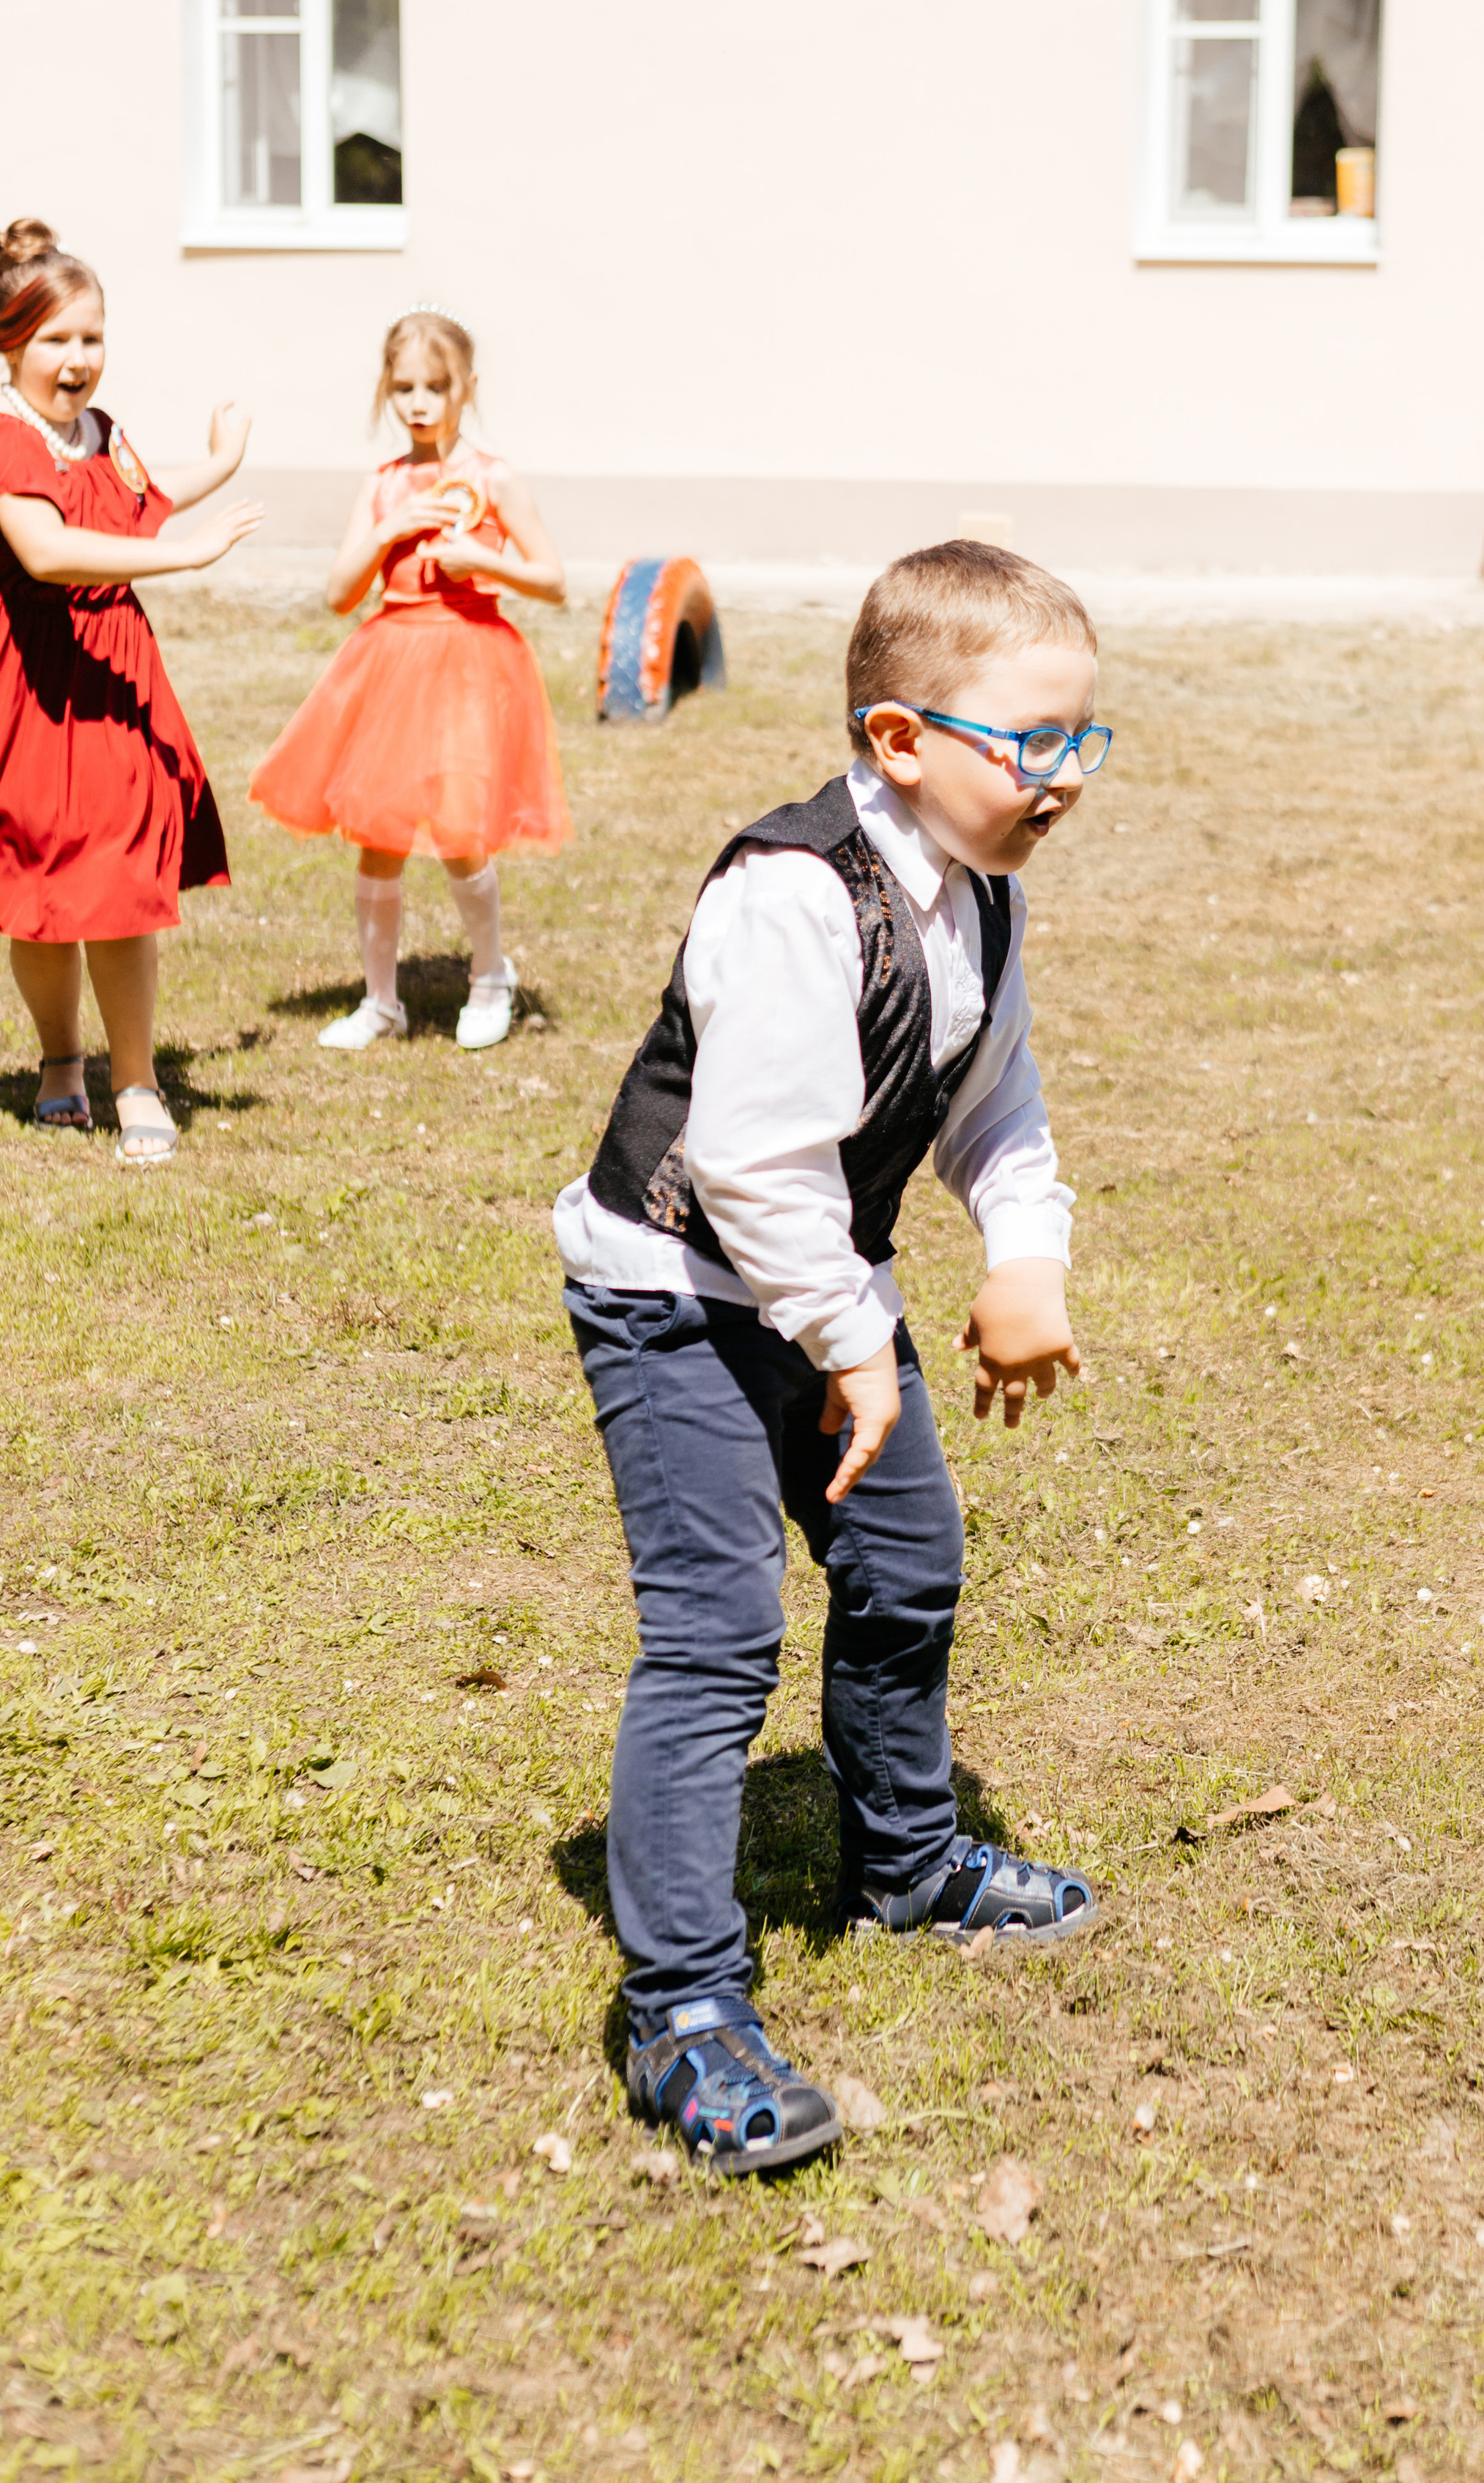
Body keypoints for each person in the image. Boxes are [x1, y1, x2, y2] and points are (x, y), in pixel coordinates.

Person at [555, 538, 1115, 2174]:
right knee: (717, 1637)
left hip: (812, 1296)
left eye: (1085, 739)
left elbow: (991, 1101)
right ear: (897, 741)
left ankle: (910, 1863)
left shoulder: (980, 890)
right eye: (1034, 745)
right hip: (678, 1296)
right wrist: (858, 1350)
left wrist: (1025, 1254)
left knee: (904, 1559)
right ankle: (683, 2011)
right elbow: (749, 1170)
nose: (1065, 779)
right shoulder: (792, 896)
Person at [0, 216, 263, 1162]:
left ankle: (139, 1080)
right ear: (10, 342)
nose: (77, 359)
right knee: (37, 888)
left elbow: (141, 492)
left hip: (118, 685)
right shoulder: (6, 440)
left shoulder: (99, 434)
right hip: (37, 691)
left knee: (118, 883)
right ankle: (61, 1060)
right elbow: (45, 548)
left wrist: (221, 462)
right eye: (55, 340)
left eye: (92, 337)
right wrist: (179, 556)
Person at [248, 307, 570, 1053]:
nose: (420, 403)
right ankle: (382, 1001)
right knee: (378, 834)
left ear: (468, 387)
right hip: (390, 663)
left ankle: (491, 976)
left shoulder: (494, 477)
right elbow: (339, 593)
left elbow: (550, 578)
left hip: (467, 663)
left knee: (460, 827)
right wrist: (392, 528)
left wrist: (482, 561)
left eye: (436, 386)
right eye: (404, 388)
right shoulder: (386, 482)